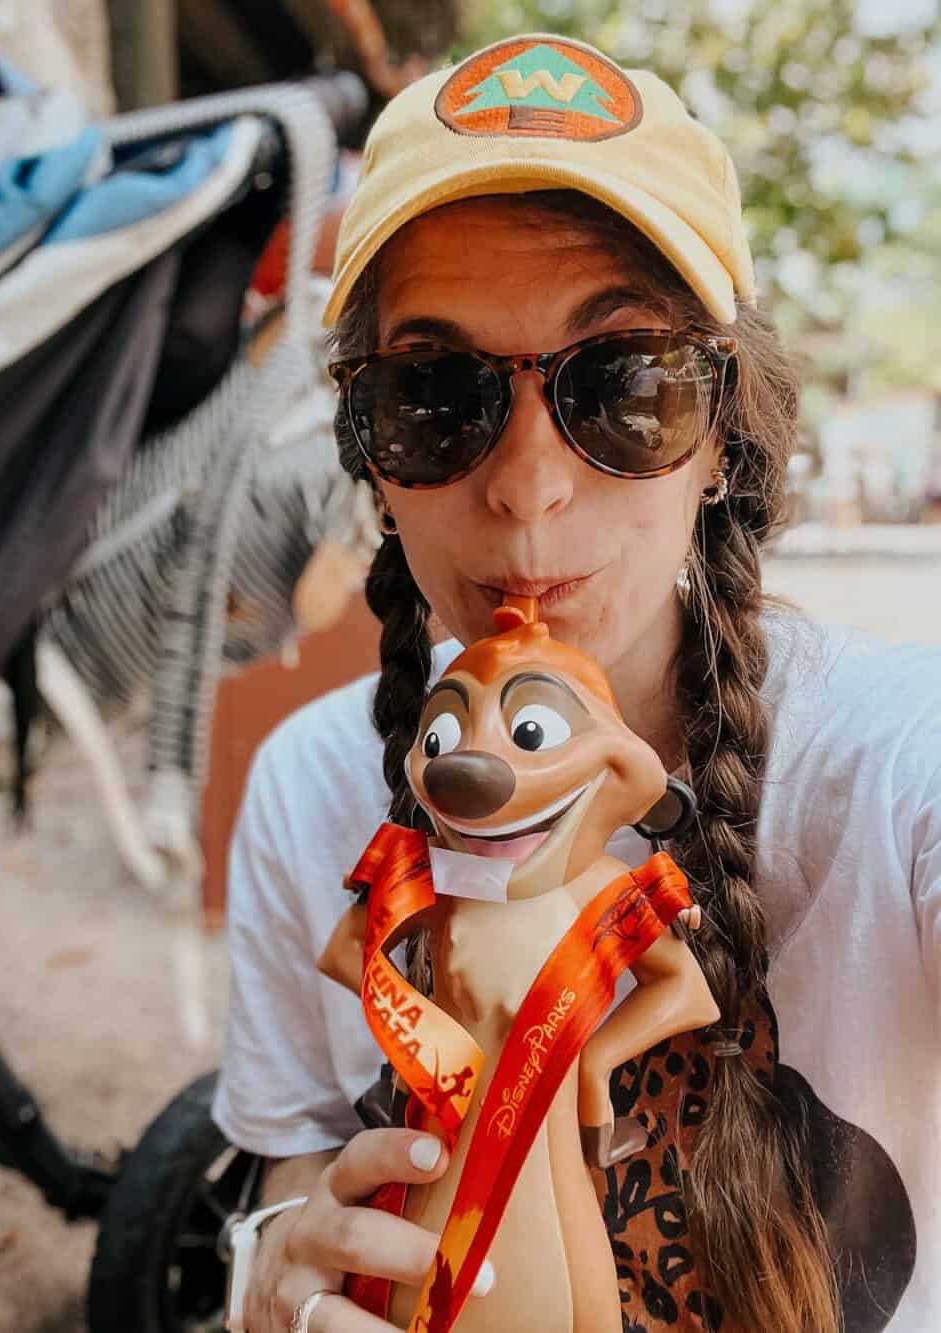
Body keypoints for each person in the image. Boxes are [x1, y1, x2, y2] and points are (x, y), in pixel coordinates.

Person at [212, 32, 941, 1333]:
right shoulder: (307, 793)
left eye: (627, 387)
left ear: (723, 438)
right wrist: (279, 1260)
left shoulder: (896, 760)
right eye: (434, 394)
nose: (530, 487)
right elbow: (295, 1164)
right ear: (371, 460)